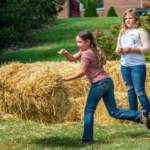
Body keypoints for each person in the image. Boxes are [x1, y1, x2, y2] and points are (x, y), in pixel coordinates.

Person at [58, 30, 150, 143]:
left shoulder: (86, 54)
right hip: (107, 82)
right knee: (114, 112)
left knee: (89, 110)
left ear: (88, 41)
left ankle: (87, 139)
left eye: (80, 42)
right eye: (77, 42)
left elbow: (81, 72)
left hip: (99, 84)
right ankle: (142, 116)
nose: (78, 44)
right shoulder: (91, 49)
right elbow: (72, 58)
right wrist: (65, 53)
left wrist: (65, 79)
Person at [115, 8, 150, 112]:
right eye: (126, 19)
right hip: (125, 66)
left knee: (139, 91)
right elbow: (117, 49)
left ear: (136, 19)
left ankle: (148, 115)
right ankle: (134, 115)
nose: (128, 20)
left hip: (137, 66)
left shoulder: (141, 31)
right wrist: (119, 50)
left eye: (130, 18)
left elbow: (147, 48)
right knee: (130, 90)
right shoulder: (122, 32)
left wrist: (130, 49)